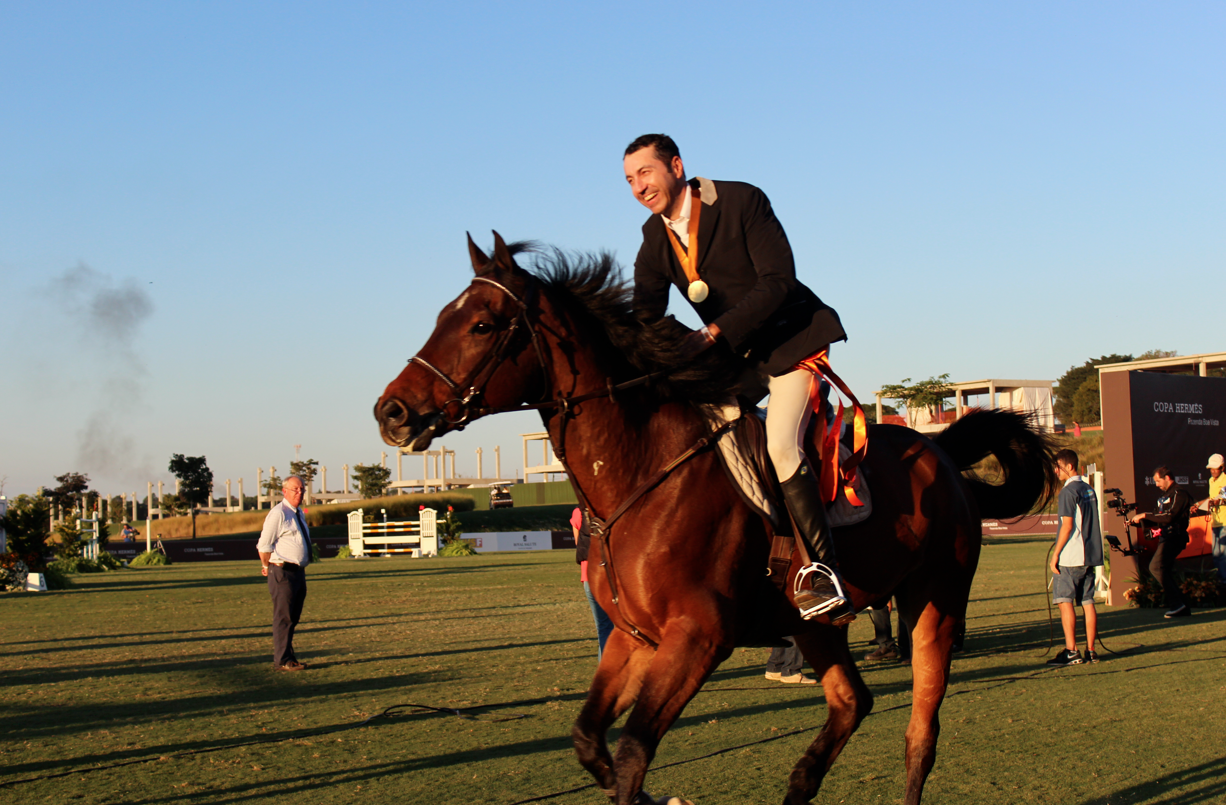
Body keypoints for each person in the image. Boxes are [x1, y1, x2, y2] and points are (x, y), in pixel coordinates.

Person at [622, 134, 852, 623]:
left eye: (645, 172)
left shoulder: (743, 198)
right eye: (629, 180)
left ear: (676, 166)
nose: (638, 186)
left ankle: (823, 574)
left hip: (793, 341)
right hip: (739, 360)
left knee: (781, 446)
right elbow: (644, 314)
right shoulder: (653, 238)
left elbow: (779, 281)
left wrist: (712, 333)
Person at [1046, 449, 1104, 666]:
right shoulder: (1089, 489)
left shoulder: (1068, 492)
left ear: (1069, 466)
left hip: (1071, 556)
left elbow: (1067, 526)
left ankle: (1071, 650)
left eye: (1058, 466)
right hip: (1090, 554)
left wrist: (1056, 554)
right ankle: (1091, 650)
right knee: (1088, 602)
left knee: (1065, 601)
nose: (1055, 471)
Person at [257, 476, 313, 670]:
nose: (300, 492)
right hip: (282, 572)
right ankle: (282, 660)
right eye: (295, 489)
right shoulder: (278, 514)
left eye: (302, 489)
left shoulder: (298, 514)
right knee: (284, 617)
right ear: (285, 491)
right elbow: (264, 545)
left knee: (293, 617)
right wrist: (268, 565)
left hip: (298, 573)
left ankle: (289, 656)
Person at [1130, 466, 1192, 618]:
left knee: (1156, 567)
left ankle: (1178, 604)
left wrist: (1145, 514)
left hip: (1175, 537)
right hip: (1165, 537)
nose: (1157, 485)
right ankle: (1181, 605)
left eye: (1158, 481)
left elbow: (1169, 516)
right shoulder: (1163, 497)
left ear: (1167, 478)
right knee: (1164, 570)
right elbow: (1158, 519)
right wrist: (1137, 523)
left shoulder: (1180, 493)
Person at [573, 506, 614, 659]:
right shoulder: (605, 509)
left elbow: (579, 544)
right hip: (607, 577)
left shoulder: (577, 513)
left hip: (588, 577)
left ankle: (604, 673)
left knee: (603, 628)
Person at [1191, 453, 1226, 583]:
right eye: (1211, 468)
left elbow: (1220, 500)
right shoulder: (1212, 480)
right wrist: (1197, 505)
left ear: (1222, 467)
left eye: (1215, 468)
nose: (1213, 471)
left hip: (1225, 522)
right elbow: (1211, 499)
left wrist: (1209, 503)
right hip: (1215, 522)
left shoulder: (1225, 480)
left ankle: (1224, 580)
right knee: (1216, 554)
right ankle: (1221, 579)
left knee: (1223, 555)